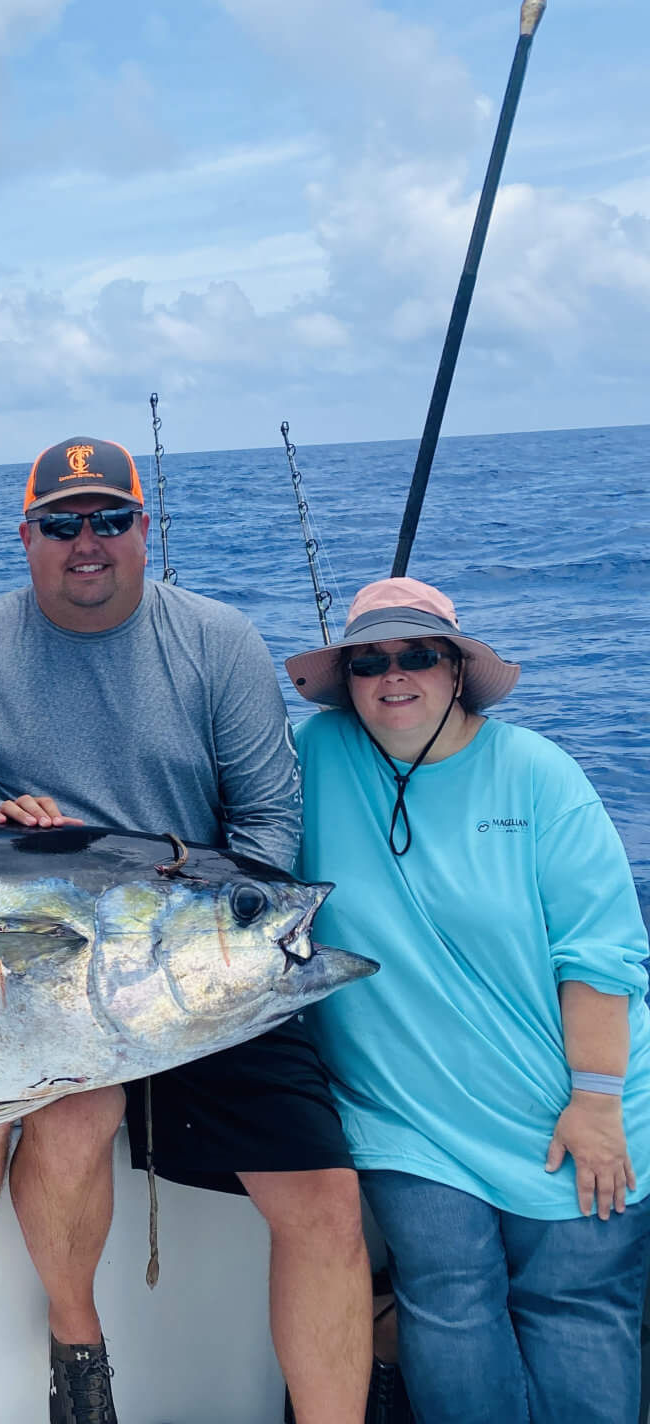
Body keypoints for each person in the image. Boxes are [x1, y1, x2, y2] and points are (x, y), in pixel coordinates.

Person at [0, 437, 371, 1424]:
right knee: (77, 1116)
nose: (89, 542)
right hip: (46, 967)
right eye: (63, 523)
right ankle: (80, 1352)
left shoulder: (218, 640)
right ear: (26, 536)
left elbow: (268, 827)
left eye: (111, 519)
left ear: (144, 531)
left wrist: (180, 903)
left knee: (328, 1202)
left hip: (196, 958)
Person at [288, 577, 650, 1424]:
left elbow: (602, 952)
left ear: (456, 669)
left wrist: (595, 1101)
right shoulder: (317, 757)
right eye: (370, 662)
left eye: (418, 654)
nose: (393, 675)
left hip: (568, 1098)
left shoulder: (538, 774)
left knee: (577, 1305)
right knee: (447, 1296)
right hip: (406, 1115)